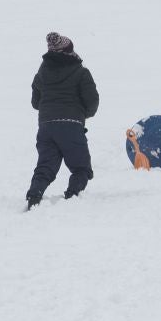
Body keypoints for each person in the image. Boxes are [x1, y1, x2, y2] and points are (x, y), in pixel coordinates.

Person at [26, 32, 99, 209]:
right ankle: (72, 195)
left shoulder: (41, 74)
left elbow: (36, 103)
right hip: (71, 125)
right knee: (81, 167)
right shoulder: (81, 72)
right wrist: (83, 115)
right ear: (69, 50)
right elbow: (92, 100)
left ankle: (34, 195)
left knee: (45, 165)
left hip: (46, 126)